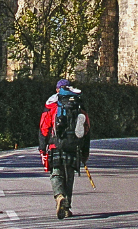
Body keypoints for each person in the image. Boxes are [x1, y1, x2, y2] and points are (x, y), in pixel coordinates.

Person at [38, 78, 91, 219]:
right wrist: (85, 152)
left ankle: (59, 195)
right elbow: (86, 129)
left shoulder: (52, 104)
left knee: (56, 173)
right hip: (74, 145)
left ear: (58, 89)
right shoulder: (79, 104)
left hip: (56, 144)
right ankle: (66, 208)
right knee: (69, 176)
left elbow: (44, 127)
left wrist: (42, 147)